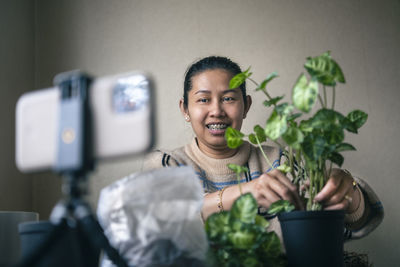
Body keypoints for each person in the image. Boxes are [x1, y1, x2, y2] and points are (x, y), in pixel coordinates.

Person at [143, 56, 383, 240]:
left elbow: (351, 225)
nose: (216, 110)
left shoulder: (277, 161)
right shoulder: (166, 164)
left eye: (229, 98)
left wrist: (349, 193)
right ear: (185, 109)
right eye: (203, 99)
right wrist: (246, 192)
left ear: (246, 106)